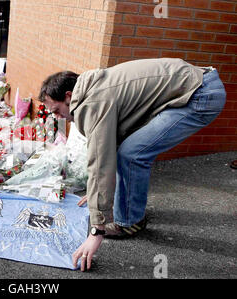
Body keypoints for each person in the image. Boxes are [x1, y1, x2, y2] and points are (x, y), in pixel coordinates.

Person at [38, 58, 226, 272]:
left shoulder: (92, 102)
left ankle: (128, 222)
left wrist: (96, 231)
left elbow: (100, 162)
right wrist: (96, 192)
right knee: (127, 150)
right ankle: (131, 211)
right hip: (197, 83)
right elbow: (109, 149)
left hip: (200, 96)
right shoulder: (93, 86)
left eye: (56, 110)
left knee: (132, 154)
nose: (58, 117)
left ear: (69, 96)